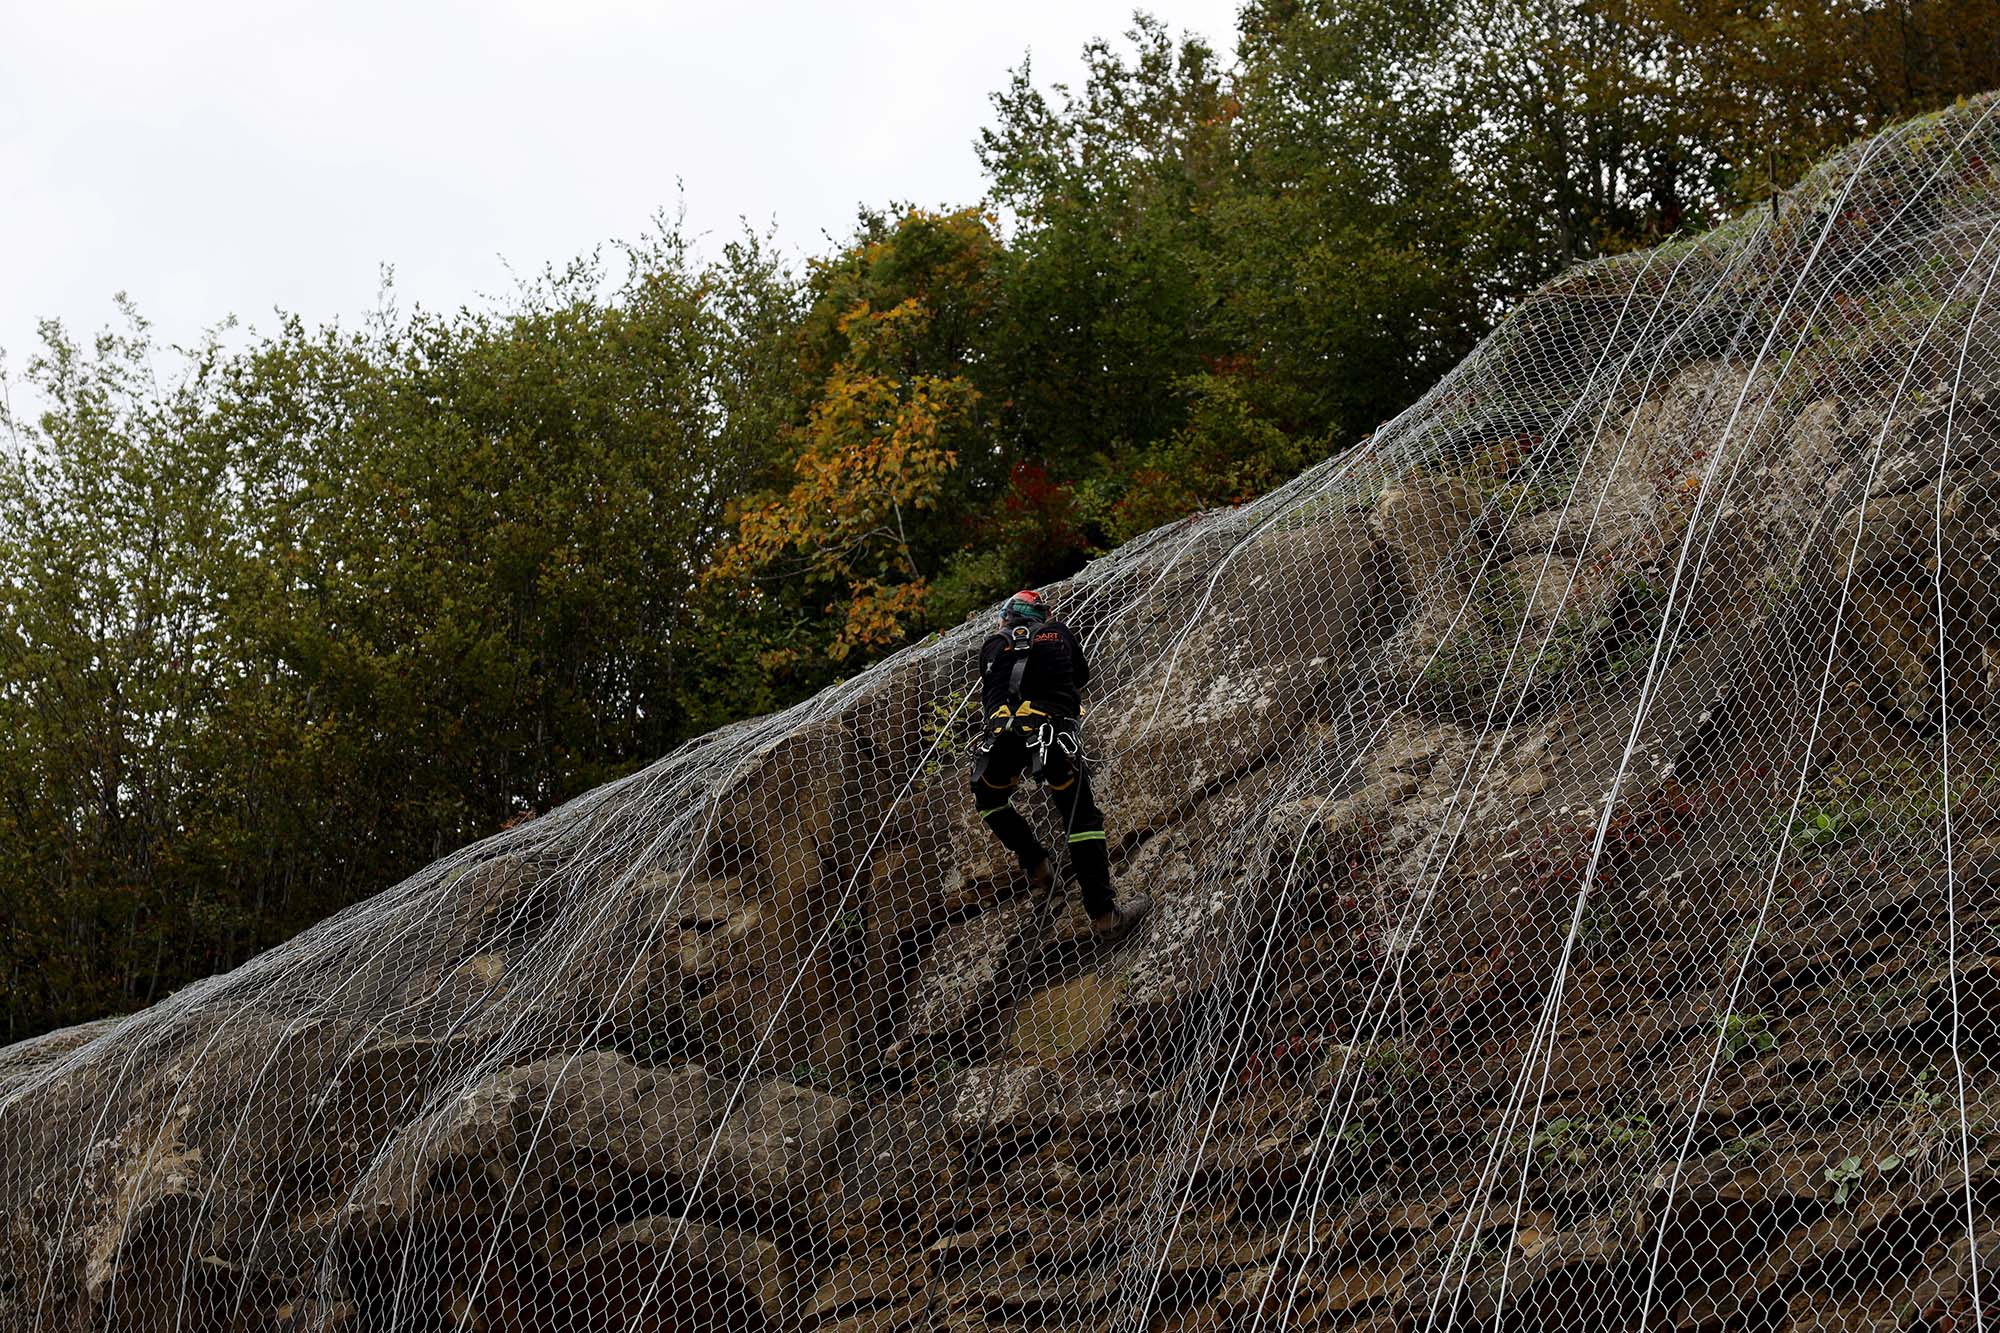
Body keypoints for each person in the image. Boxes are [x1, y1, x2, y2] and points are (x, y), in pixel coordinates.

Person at [970, 589, 1151, 942]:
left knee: (989, 800)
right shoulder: (1059, 633)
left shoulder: (992, 644)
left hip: (1003, 740)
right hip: (1051, 735)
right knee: (1080, 819)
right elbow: (1079, 677)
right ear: (1042, 615)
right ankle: (1104, 916)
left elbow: (992, 688)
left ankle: (1036, 862)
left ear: (1006, 617)